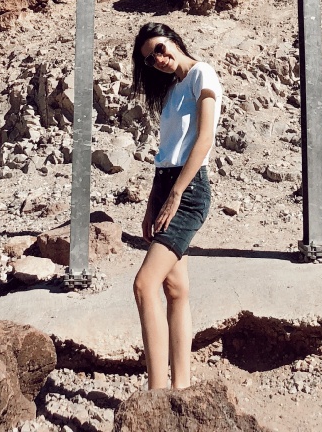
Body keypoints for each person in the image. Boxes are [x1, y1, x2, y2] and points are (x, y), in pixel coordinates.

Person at [130, 21, 222, 390]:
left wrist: (176, 194)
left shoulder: (202, 73)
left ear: (174, 40)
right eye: (150, 60)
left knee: (143, 284)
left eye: (160, 48)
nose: (159, 59)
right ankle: (181, 388)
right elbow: (164, 156)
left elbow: (204, 139)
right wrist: (152, 204)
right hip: (166, 185)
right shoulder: (171, 93)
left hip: (189, 189)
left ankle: (155, 391)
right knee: (175, 290)